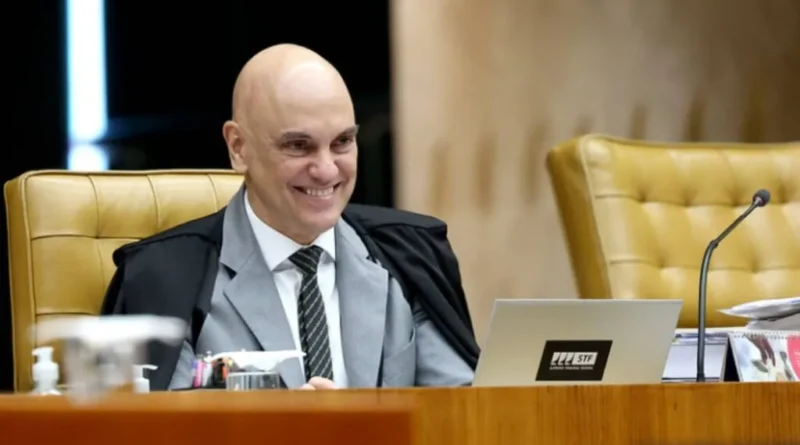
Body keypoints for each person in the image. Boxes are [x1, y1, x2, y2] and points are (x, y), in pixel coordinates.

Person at [100, 44, 480, 390]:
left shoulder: (410, 258)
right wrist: (287, 427)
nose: (326, 170)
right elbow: (156, 427)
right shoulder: (164, 279)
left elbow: (464, 415)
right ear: (238, 148)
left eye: (342, 142)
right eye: (299, 146)